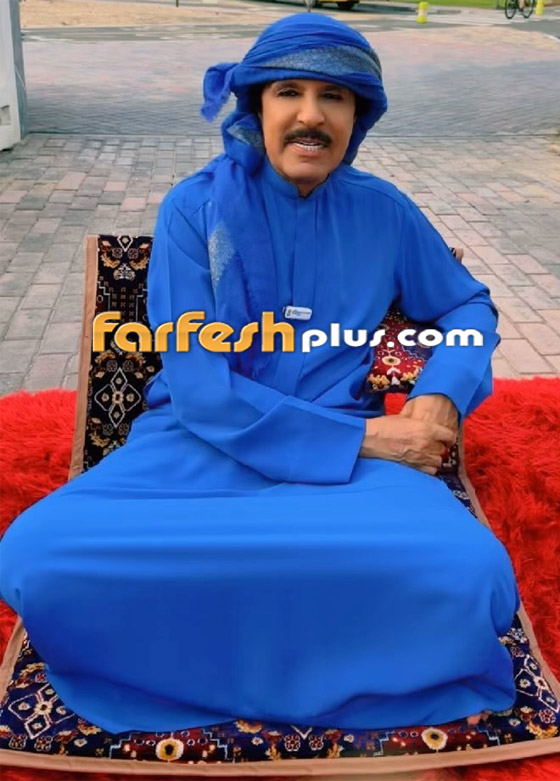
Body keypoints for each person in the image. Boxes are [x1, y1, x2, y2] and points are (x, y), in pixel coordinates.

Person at [0, 13, 520, 736]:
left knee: (472, 573)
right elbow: (201, 390)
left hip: (350, 471)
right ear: (257, 108)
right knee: (39, 555)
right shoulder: (195, 209)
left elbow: (467, 304)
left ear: (357, 118)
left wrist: (439, 395)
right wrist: (372, 439)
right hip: (198, 447)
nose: (311, 116)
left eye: (334, 97)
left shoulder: (384, 213)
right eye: (289, 93)